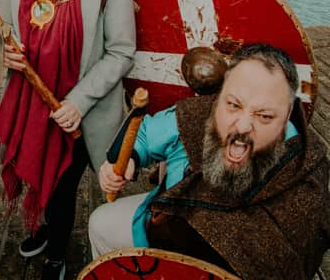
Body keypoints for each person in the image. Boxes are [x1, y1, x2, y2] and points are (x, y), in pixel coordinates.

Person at [0, 0, 136, 280]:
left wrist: (79, 101)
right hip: (29, 98)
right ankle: (43, 228)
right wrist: (10, 51)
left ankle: (56, 253)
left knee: (62, 184)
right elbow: (5, 27)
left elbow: (122, 52)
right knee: (36, 173)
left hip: (80, 105)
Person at [89, 44, 330, 280]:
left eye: (264, 115)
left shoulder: (306, 174)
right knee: (102, 224)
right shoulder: (196, 115)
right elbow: (142, 135)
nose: (243, 126)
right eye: (235, 105)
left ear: (287, 113)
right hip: (159, 237)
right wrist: (127, 158)